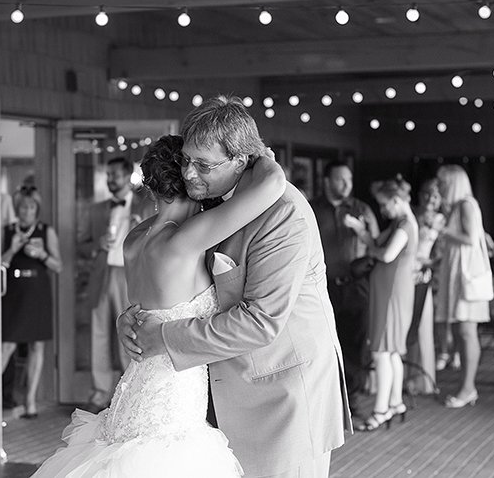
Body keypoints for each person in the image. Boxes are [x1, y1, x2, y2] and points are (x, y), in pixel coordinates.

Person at [33, 130, 288, 477]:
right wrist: (257, 156)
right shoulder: (184, 240)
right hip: (172, 405)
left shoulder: (133, 239)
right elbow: (272, 187)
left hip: (134, 393)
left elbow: (139, 311)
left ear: (150, 186)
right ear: (189, 180)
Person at [125, 95, 348, 477]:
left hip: (281, 396)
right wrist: (130, 320)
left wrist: (162, 336)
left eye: (203, 165)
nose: (190, 175)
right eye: (185, 161)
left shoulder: (284, 214)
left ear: (241, 160)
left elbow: (261, 322)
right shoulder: (208, 200)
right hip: (214, 397)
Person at [82, 157, 153, 412]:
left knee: (130, 335)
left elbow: (159, 241)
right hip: (102, 276)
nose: (111, 180)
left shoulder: (147, 207)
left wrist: (142, 231)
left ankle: (129, 395)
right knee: (98, 335)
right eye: (108, 175)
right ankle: (99, 393)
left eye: (115, 175)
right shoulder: (97, 209)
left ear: (127, 177)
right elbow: (83, 244)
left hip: (130, 278)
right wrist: (95, 246)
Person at [310, 160, 379, 404]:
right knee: (322, 345)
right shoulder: (311, 209)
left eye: (349, 179)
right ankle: (326, 403)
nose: (347, 184)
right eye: (341, 179)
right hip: (322, 288)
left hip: (355, 286)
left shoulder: (362, 209)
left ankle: (353, 402)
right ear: (327, 181)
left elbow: (377, 246)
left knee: (355, 344)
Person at [352, 176, 418, 431]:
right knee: (389, 352)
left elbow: (387, 254)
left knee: (381, 351)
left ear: (396, 200)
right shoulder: (402, 223)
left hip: (391, 294)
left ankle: (380, 411)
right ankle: (395, 402)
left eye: (385, 205)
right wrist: (363, 234)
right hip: (389, 292)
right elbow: (378, 245)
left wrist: (371, 251)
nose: (383, 210)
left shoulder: (404, 227)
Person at [0, 186, 62, 418]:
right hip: (13, 293)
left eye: (31, 207)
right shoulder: (6, 232)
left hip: (37, 293)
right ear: (17, 208)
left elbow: (59, 266)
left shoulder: (47, 231)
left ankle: (30, 402)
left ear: (37, 209)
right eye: (23, 207)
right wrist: (12, 249)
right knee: (7, 345)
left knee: (37, 346)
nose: (26, 211)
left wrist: (42, 255)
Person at [433, 165, 492, 409]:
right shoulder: (457, 206)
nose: (439, 187)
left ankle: (468, 387)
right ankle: (465, 385)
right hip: (458, 274)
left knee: (467, 332)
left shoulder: (467, 204)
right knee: (459, 332)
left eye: (442, 183)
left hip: (467, 276)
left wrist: (443, 230)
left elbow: (471, 238)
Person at [406, 178, 443, 394]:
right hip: (404, 274)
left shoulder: (442, 221)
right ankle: (402, 376)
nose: (430, 199)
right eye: (428, 193)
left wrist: (425, 264)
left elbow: (440, 254)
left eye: (435, 195)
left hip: (423, 274)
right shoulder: (411, 215)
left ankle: (420, 378)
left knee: (421, 327)